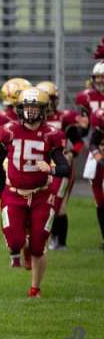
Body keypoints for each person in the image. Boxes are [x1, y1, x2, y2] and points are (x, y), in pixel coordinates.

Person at [0, 88, 70, 298]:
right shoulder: (9, 131)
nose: (30, 112)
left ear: (44, 110)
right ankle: (23, 249)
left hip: (42, 195)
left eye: (35, 108)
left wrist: (50, 169)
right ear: (20, 109)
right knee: (15, 242)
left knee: (39, 246)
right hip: (14, 194)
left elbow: (64, 168)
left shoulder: (51, 134)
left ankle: (35, 288)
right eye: (27, 107)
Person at [0, 78, 32, 268]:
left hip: (27, 168)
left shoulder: (30, 117)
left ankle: (28, 244)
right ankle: (14, 250)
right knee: (9, 211)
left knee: (27, 214)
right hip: (6, 167)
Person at [36, 81, 84, 250]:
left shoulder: (62, 118)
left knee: (57, 204)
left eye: (51, 99)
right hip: (42, 168)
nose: (49, 103)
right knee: (46, 204)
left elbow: (78, 142)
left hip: (60, 168)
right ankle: (52, 240)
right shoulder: (33, 121)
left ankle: (58, 241)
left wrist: (72, 154)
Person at [75, 62, 104, 239]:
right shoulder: (86, 97)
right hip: (96, 148)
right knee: (99, 198)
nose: (100, 81)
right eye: (98, 78)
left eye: (103, 78)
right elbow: (83, 133)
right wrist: (82, 127)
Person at [85, 105, 104, 248]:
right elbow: (93, 144)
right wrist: (100, 158)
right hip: (98, 167)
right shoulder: (99, 124)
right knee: (100, 203)